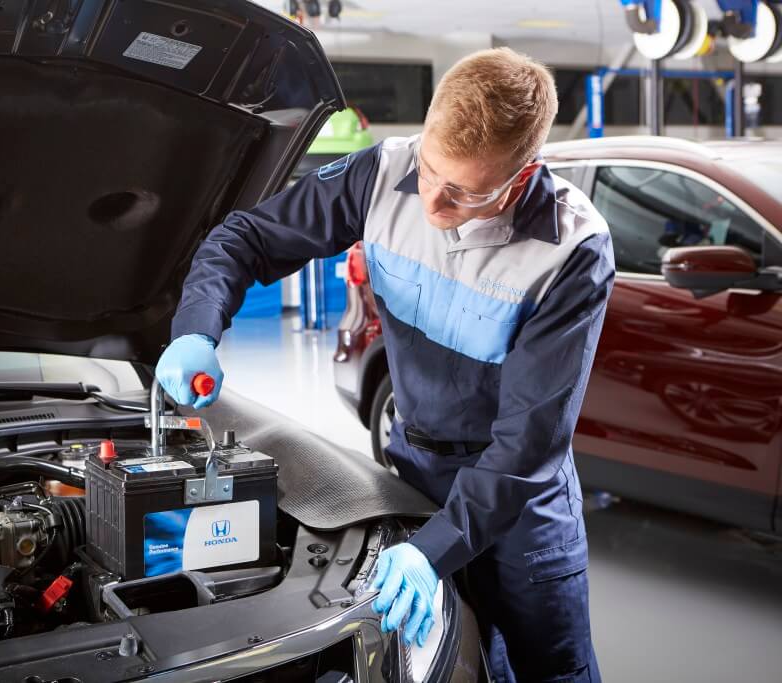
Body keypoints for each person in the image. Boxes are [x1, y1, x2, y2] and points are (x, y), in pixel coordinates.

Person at [155, 48, 614, 682]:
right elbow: (245, 239)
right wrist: (196, 330)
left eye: (464, 192)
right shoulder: (380, 173)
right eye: (429, 170)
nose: (433, 202)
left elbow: (527, 446)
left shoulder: (572, 249)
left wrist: (434, 552)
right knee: (445, 664)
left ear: (523, 173)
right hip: (415, 471)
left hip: (521, 509)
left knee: (550, 669)